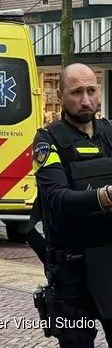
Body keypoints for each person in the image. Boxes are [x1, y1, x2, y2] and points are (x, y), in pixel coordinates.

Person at [27, 63, 112, 347]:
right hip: (72, 274)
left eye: (91, 91)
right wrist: (104, 196)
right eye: (77, 92)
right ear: (61, 96)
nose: (86, 100)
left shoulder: (110, 134)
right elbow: (57, 199)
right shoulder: (47, 141)